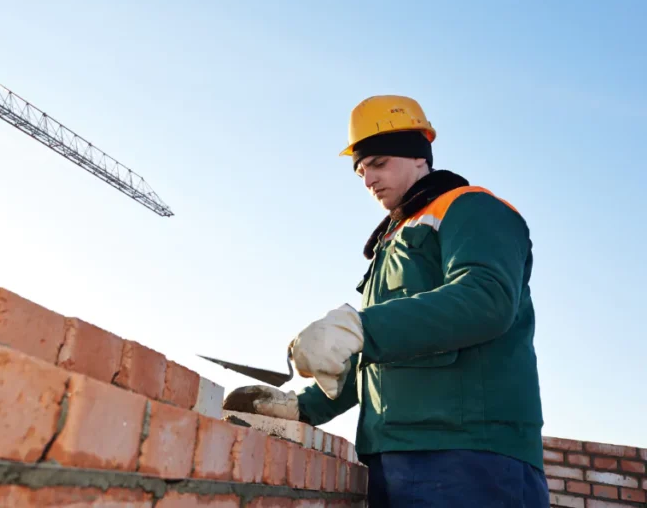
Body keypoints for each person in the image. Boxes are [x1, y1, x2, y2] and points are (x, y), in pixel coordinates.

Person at [223, 95, 548, 507]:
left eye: (378, 163)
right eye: (360, 171)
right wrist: (302, 408)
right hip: (391, 454)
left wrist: (361, 327)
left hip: (470, 455)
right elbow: (375, 358)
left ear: (418, 156)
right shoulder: (390, 245)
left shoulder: (471, 209)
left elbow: (486, 299)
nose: (368, 180)